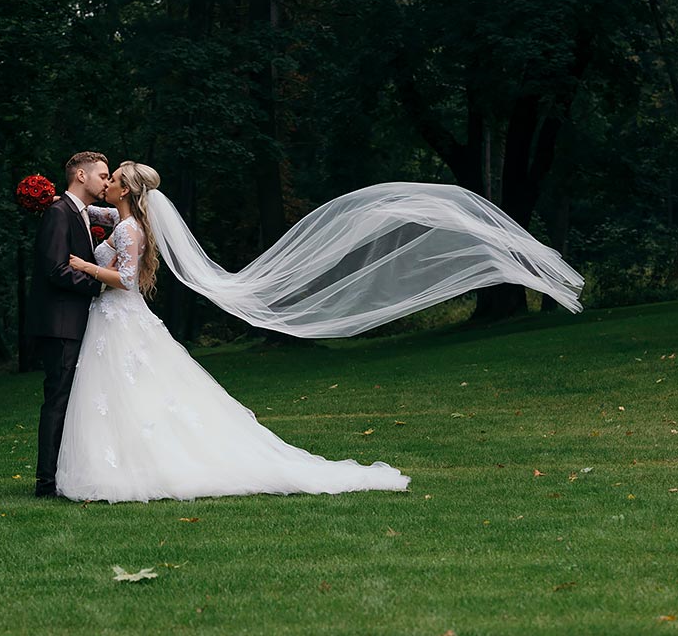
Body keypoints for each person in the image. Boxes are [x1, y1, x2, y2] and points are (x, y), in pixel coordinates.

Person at [55, 161, 412, 502]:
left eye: (114, 179)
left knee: (131, 389)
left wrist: (88, 266)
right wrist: (58, 202)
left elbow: (128, 280)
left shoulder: (126, 228)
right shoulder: (122, 219)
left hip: (121, 314)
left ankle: (134, 466)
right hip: (112, 317)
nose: (107, 184)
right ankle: (117, 462)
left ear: (127, 190)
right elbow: (88, 213)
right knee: (123, 392)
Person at [25, 151, 119, 498]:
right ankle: (46, 483)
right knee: (58, 400)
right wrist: (100, 285)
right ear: (81, 175)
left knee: (70, 400)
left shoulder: (78, 213)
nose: (107, 182)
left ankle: (63, 474)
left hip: (74, 321)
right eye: (103, 175)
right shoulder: (58, 212)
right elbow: (55, 269)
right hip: (60, 324)